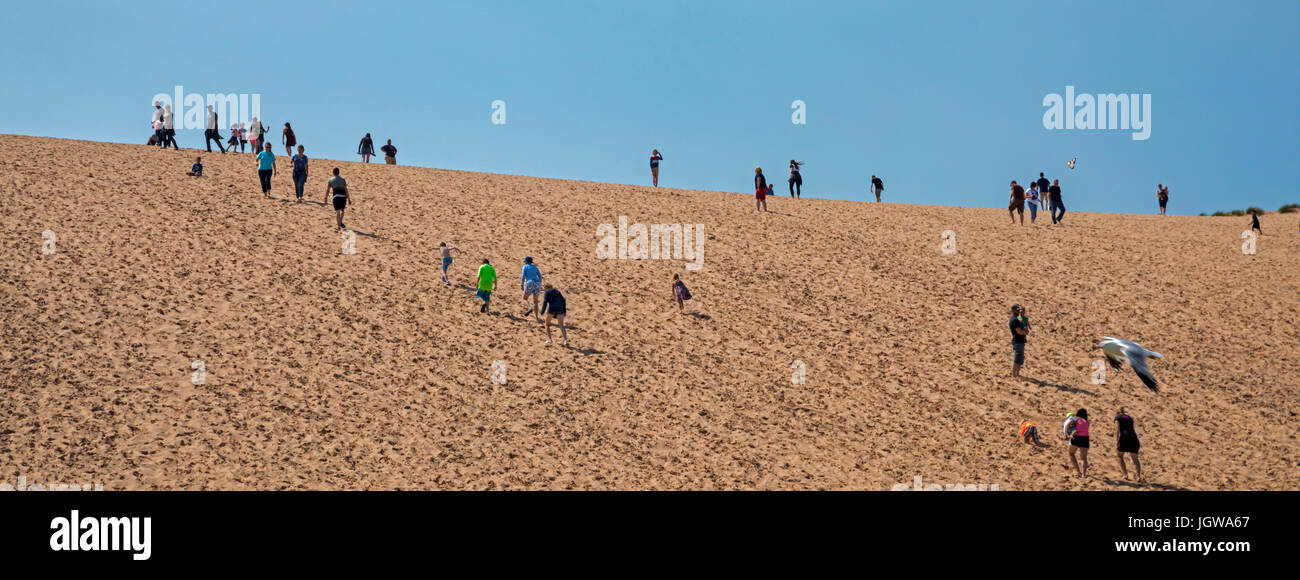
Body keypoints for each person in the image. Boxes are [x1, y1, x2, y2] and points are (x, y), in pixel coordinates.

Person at [1115, 409, 1143, 481]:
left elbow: (1117, 429)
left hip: (1124, 439)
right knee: (1135, 459)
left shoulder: (1117, 418)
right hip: (1134, 438)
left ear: (1117, 413)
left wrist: (1117, 439)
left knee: (1119, 456)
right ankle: (1138, 476)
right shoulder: (1129, 418)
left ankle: (1125, 475)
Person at [1066, 408, 1090, 477]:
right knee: (1084, 458)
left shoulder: (1077, 418)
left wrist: (1067, 433)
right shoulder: (1087, 421)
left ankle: (1078, 471)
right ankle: (1084, 474)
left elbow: (1068, 424)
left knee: (1071, 453)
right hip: (1085, 438)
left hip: (1077, 437)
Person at [521, 257, 543, 321]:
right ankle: (536, 317)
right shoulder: (536, 268)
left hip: (530, 282)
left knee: (525, 298)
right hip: (537, 283)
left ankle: (530, 307)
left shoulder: (525, 267)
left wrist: (522, 284)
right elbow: (540, 276)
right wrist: (539, 283)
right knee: (536, 302)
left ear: (526, 262)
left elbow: (523, 276)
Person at [1009, 303, 1028, 378]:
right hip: (1018, 341)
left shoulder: (1016, 318)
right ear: (1013, 311)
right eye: (1017, 310)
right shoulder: (1015, 320)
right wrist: (1025, 332)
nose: (1019, 312)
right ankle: (1014, 374)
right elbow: (1018, 331)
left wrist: (1025, 323)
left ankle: (1017, 373)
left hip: (1020, 341)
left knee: (1020, 359)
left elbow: (1023, 321)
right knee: (1017, 359)